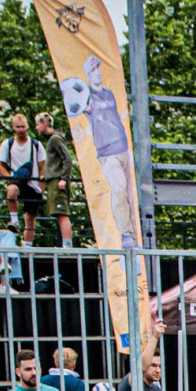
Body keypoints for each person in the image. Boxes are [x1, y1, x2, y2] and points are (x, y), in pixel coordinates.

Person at [79, 54, 142, 248]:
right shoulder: (87, 97)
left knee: (130, 194)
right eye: (93, 70)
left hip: (123, 149)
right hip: (108, 153)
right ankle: (126, 234)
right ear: (88, 74)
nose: (97, 72)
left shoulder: (109, 94)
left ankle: (133, 235)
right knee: (119, 189)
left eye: (98, 68)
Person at [0, 112, 46, 241]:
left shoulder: (36, 145)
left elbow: (43, 167)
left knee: (30, 219)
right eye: (18, 127)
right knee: (11, 190)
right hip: (17, 180)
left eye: (23, 127)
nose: (21, 130)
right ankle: (14, 220)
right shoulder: (8, 144)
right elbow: (0, 165)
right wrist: (9, 178)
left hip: (33, 183)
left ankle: (28, 247)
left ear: (27, 126)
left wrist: (41, 188)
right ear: (13, 127)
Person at [34, 112, 76, 247]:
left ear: (44, 124)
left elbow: (67, 159)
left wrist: (63, 178)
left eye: (38, 124)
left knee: (62, 213)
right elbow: (56, 161)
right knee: (58, 213)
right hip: (53, 180)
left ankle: (67, 245)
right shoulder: (51, 139)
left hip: (58, 182)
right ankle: (65, 244)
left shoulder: (55, 139)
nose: (36, 127)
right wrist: (46, 175)